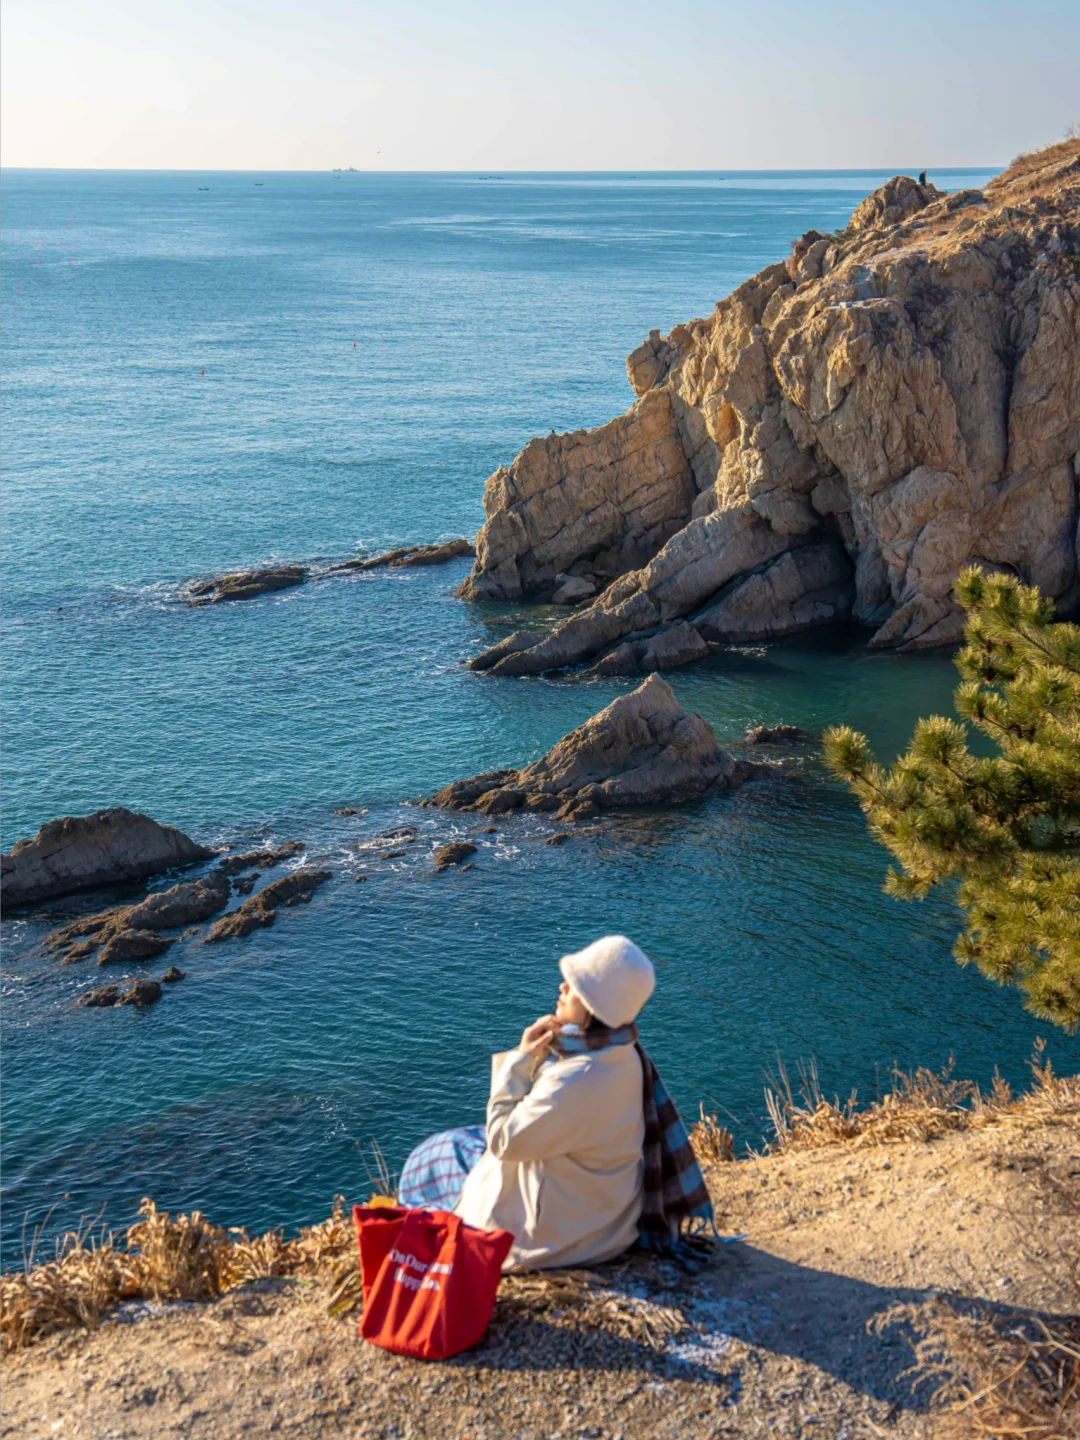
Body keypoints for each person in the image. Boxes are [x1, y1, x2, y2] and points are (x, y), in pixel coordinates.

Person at [398, 935, 713, 1270]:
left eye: (576, 985)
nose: (562, 987)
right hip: (606, 1217)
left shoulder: (577, 1076)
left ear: (595, 1006)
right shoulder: (626, 1053)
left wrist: (521, 1059)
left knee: (427, 1163)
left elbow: (503, 1140)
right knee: (456, 1146)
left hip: (563, 1236)